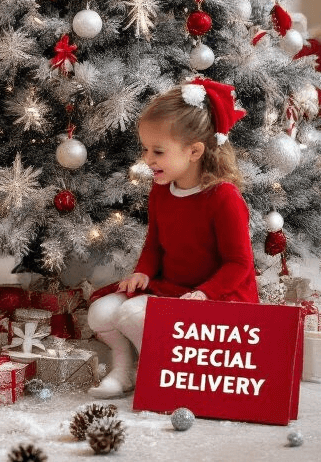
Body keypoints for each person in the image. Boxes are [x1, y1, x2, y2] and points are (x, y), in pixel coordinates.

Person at [86, 77, 258, 400]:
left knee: (132, 314)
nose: (148, 159)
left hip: (216, 297)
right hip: (170, 289)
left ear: (194, 151)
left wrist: (204, 294)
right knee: (102, 312)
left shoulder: (224, 198)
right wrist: (143, 272)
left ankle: (164, 372)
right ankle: (125, 370)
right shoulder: (162, 191)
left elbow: (239, 264)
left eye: (158, 151)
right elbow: (154, 243)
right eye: (145, 149)